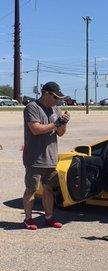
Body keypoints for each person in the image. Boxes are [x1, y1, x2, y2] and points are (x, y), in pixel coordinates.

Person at [22, 81, 70, 230]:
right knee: (31, 189)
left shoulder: (56, 109)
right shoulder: (32, 107)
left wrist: (64, 123)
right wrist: (56, 123)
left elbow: (61, 133)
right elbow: (35, 129)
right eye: (55, 97)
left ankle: (49, 217)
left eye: (59, 98)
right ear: (46, 93)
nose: (58, 100)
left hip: (51, 158)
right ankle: (28, 219)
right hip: (35, 158)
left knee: (48, 189)